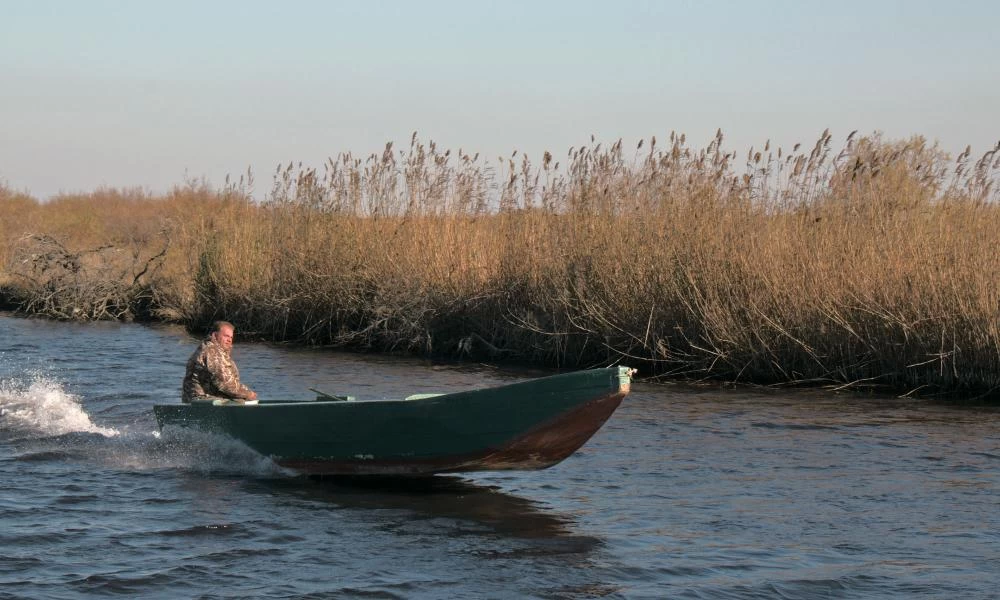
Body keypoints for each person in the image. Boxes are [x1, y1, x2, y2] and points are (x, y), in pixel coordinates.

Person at [181, 320, 258, 404]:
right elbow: (226, 384)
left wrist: (246, 392)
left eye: (231, 337)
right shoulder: (212, 352)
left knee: (244, 400)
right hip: (202, 401)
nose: (229, 340)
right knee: (241, 402)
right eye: (226, 336)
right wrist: (248, 394)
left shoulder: (216, 351)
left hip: (206, 400)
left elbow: (230, 382)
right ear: (215, 335)